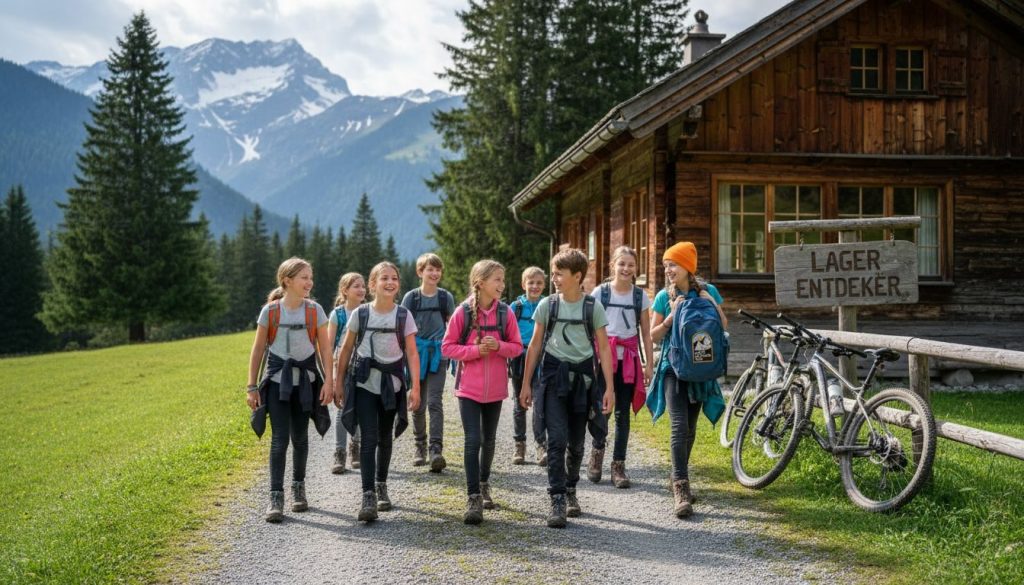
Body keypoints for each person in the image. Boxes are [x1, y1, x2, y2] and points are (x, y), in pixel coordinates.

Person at [520, 248, 614, 528]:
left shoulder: (592, 307)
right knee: (557, 440)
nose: (554, 279)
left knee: (576, 443)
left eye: (559, 274)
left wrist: (609, 388)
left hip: (583, 383)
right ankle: (557, 498)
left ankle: (571, 488)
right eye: (553, 274)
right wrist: (526, 384)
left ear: (577, 276)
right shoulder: (547, 305)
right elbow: (535, 345)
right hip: (552, 380)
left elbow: (604, 349)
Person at [246, 257, 334, 523]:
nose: (310, 282)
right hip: (276, 384)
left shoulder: (315, 311)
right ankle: (276, 497)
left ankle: (298, 489)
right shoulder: (270, 312)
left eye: (310, 277)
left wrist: (329, 381)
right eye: (304, 277)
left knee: (300, 438)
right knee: (279, 439)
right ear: (287, 281)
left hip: (305, 383)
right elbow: (258, 350)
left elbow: (325, 349)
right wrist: (252, 386)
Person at [335, 261, 422, 522]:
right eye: (384, 278)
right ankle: (368, 495)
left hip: (392, 386)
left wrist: (415, 387)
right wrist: (338, 383)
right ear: (373, 285)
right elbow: (346, 349)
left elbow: (412, 353)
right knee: (368, 438)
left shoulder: (403, 315)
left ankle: (381, 484)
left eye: (394, 278)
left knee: (385, 437)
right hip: (364, 384)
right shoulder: (360, 314)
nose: (390, 282)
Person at [649, 241, 727, 518]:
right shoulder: (663, 296)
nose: (668, 270)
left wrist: (710, 303)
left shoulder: (709, 291)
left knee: (691, 430)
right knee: (679, 425)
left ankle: (677, 474)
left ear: (687, 266)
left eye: (673, 264)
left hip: (700, 367)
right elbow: (653, 336)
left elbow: (723, 325)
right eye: (666, 265)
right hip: (672, 366)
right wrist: (671, 316)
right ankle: (681, 487)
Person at [442, 260, 522, 524]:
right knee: (472, 440)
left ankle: (484, 483)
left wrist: (499, 346)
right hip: (468, 390)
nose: (502, 285)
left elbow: (517, 347)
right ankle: (473, 496)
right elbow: (447, 347)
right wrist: (476, 351)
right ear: (481, 283)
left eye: (502, 279)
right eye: (497, 280)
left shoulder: (505, 313)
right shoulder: (463, 312)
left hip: (496, 390)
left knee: (489, 440)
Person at [588, 246, 654, 488]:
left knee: (622, 414)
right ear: (612, 265)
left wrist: (649, 365)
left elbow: (646, 333)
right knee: (601, 409)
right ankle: (597, 453)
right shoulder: (600, 293)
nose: (626, 269)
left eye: (631, 265)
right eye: (621, 264)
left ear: (636, 268)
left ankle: (618, 466)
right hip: (602, 360)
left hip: (628, 360)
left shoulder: (640, 296)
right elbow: (590, 329)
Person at [402, 253, 456, 471]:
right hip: (416, 354)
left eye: (437, 270)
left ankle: (435, 450)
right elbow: (402, 327)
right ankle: (420, 446)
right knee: (418, 401)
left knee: (434, 402)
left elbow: (453, 325)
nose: (434, 273)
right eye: (430, 269)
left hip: (438, 355)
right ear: (420, 272)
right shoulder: (411, 298)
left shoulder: (445, 298)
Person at [327, 272, 366, 474]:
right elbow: (329, 346)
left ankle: (355, 448)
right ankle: (339, 452)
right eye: (356, 286)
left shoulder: (367, 311)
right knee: (342, 409)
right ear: (345, 290)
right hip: (341, 367)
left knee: (359, 408)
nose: (361, 290)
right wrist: (332, 376)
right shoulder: (338, 315)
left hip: (363, 367)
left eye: (363, 286)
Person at [508, 266, 547, 465]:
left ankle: (541, 445)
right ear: (523, 284)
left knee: (540, 402)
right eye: (531, 282)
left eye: (539, 283)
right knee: (519, 402)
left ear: (544, 285)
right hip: (519, 359)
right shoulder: (515, 307)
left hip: (542, 359)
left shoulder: (548, 305)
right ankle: (519, 445)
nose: (535, 286)